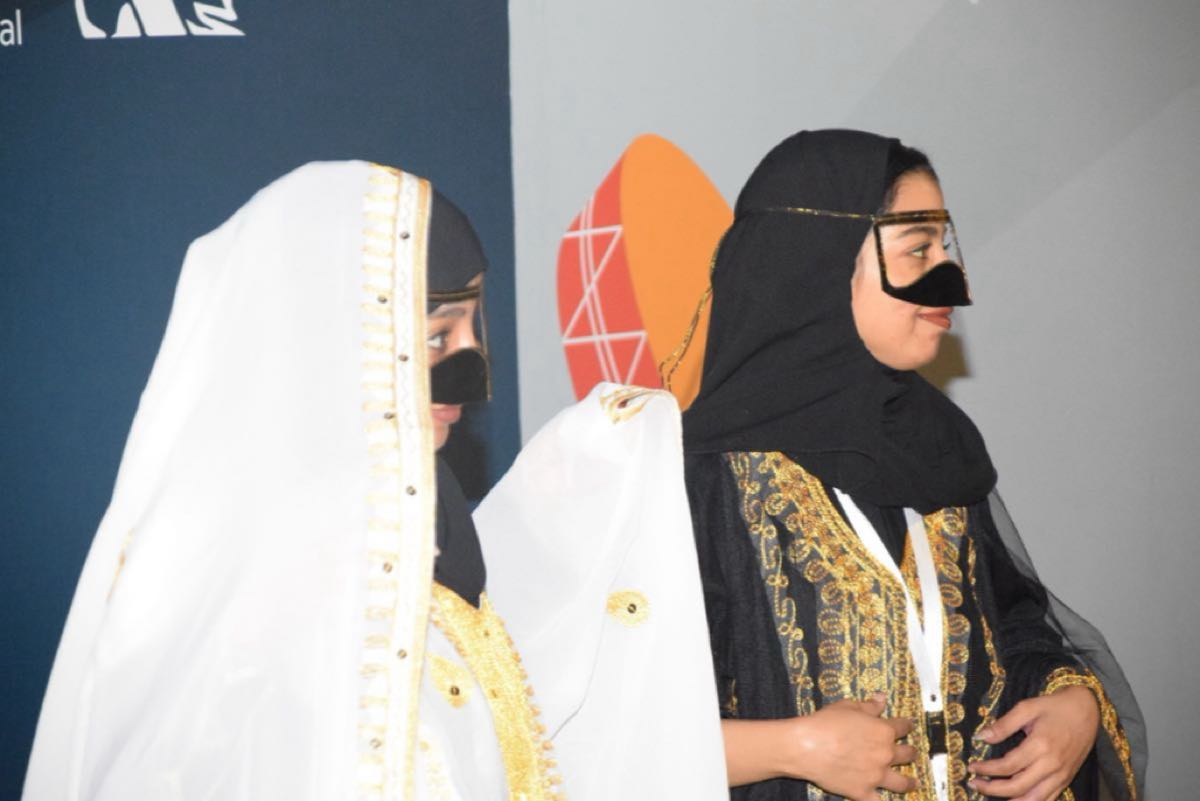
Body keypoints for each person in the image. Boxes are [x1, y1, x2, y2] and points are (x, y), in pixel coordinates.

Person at [22, 161, 562, 800]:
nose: (472, 375)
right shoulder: (239, 584)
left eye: (476, 332)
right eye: (437, 336)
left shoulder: (437, 545)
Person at [681, 130, 1145, 801]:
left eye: (945, 248)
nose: (952, 280)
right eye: (918, 249)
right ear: (818, 262)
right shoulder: (698, 482)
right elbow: (613, 723)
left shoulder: (936, 448)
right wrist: (791, 747)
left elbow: (1009, 625)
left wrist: (1073, 702)